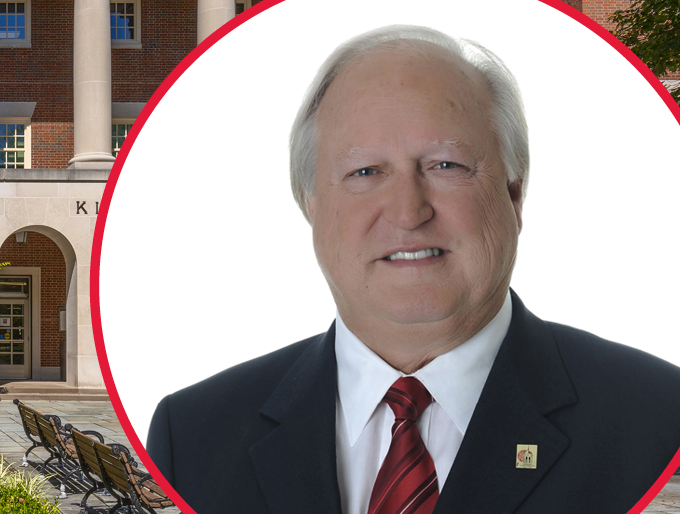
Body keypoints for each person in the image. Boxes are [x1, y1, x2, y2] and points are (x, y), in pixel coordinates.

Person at [146, 25, 680, 514]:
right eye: (365, 171)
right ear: (310, 206)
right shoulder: (192, 435)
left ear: (514, 194)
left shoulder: (657, 418)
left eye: (446, 165)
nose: (408, 212)